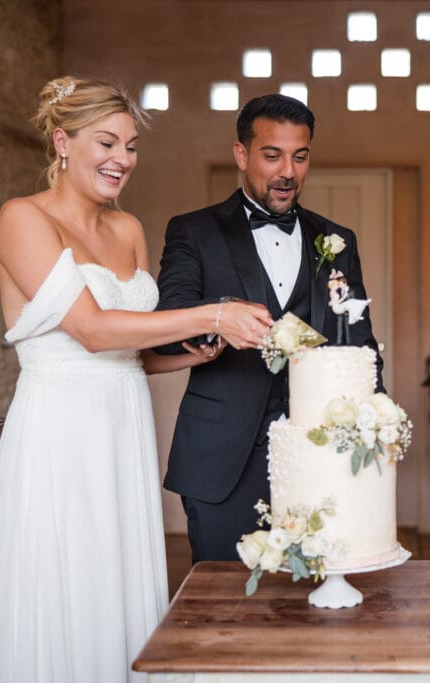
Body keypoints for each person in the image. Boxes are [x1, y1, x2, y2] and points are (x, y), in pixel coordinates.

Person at [0, 76, 272, 682]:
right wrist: (214, 311)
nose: (122, 160)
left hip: (121, 427)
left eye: (130, 146)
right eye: (107, 143)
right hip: (60, 430)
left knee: (116, 577)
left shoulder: (127, 229)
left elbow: (136, 352)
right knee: (63, 578)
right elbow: (94, 331)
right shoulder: (21, 219)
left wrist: (195, 352)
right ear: (62, 142)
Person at [151, 93, 383, 563]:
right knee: (225, 606)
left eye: (300, 156)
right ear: (242, 154)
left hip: (319, 455)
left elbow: (358, 340)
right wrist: (220, 318)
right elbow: (165, 327)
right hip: (223, 458)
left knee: (314, 599)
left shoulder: (337, 241)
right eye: (272, 155)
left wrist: (374, 429)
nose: (288, 172)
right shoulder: (195, 232)